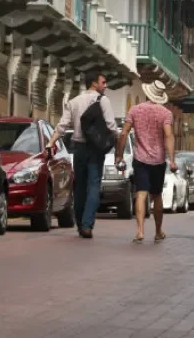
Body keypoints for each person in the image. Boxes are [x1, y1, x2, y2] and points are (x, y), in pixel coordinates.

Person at [47, 71, 118, 239]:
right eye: (103, 82)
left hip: (78, 147)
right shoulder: (103, 101)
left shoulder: (74, 101)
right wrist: (115, 140)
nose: (105, 86)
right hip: (95, 149)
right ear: (94, 83)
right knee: (93, 186)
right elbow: (111, 126)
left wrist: (51, 143)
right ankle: (87, 225)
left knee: (79, 187)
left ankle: (80, 224)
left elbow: (62, 126)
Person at [115, 80, 177, 244]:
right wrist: (172, 160)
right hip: (158, 160)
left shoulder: (135, 110)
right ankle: (157, 231)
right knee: (157, 195)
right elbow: (169, 135)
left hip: (140, 158)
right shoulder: (166, 113)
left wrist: (119, 155)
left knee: (141, 194)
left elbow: (123, 134)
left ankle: (140, 231)